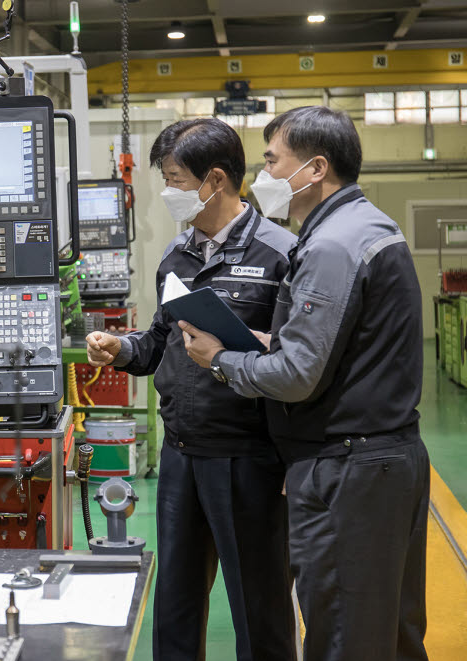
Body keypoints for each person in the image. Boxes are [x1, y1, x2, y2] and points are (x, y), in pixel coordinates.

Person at [181, 106, 429, 661]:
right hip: (386, 461)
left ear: (315, 169)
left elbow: (296, 378)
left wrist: (221, 358)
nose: (264, 176)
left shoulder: (330, 245)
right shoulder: (368, 226)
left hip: (350, 473)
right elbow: (347, 346)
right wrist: (274, 342)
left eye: (272, 162)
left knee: (343, 636)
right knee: (390, 633)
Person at [86, 118, 297, 661]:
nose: (169, 192)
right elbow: (161, 340)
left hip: (249, 459)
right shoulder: (177, 255)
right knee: (175, 609)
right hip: (182, 452)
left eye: (176, 179)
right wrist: (122, 348)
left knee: (260, 610)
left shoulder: (281, 255)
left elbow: (299, 361)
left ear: (217, 179)